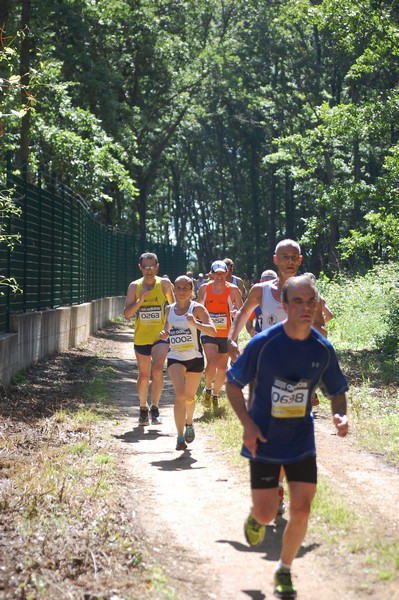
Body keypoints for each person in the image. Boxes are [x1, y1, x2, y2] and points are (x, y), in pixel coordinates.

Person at [225, 274, 349, 600]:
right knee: (267, 514)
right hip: (264, 439)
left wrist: (341, 413)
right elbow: (233, 384)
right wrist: (247, 424)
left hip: (301, 441)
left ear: (318, 305)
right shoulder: (262, 344)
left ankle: (284, 569)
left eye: (311, 302)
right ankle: (257, 515)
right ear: (284, 305)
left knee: (302, 509)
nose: (306, 308)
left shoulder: (322, 349)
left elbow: (336, 389)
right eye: (298, 301)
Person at [160, 276, 216, 450]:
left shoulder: (197, 309)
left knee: (190, 397)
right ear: (174, 290)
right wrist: (165, 334)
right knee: (180, 395)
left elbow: (213, 331)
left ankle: (189, 423)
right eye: (179, 288)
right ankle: (179, 437)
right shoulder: (169, 310)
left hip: (195, 359)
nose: (182, 291)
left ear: (192, 291)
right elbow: (167, 329)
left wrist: (195, 323)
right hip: (176, 357)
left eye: (186, 288)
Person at [123, 252, 175, 426]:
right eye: (146, 267)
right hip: (141, 337)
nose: (149, 270)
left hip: (160, 336)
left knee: (158, 369)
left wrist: (168, 330)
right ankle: (142, 408)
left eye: (152, 267)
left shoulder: (165, 284)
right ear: (140, 268)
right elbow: (127, 314)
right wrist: (140, 300)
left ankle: (155, 407)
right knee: (144, 376)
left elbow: (173, 310)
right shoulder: (134, 286)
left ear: (157, 267)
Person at [197, 260, 243, 410]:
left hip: (226, 333)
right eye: (216, 274)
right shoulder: (204, 288)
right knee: (211, 362)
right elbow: (198, 308)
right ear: (211, 274)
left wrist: (235, 313)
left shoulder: (234, 289)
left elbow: (241, 310)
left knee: (222, 369)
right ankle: (208, 389)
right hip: (209, 331)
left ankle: (215, 394)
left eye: (222, 273)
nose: (219, 276)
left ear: (227, 273)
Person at [245, 269, 278, 337]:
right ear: (261, 282)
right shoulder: (255, 300)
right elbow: (248, 319)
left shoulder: (283, 299)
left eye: (271, 281)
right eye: (266, 281)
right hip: (261, 338)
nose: (269, 283)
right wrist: (251, 331)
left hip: (278, 339)